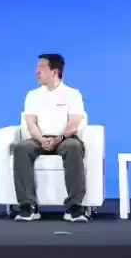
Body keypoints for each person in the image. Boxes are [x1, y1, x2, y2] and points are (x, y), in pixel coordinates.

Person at [12, 54, 88, 223]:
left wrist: (58, 139)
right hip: (39, 139)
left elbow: (73, 124)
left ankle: (74, 207)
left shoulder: (72, 94)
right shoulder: (32, 95)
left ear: (54, 71)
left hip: (64, 139)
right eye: (36, 67)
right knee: (20, 147)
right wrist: (42, 140)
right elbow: (31, 124)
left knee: (73, 147)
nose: (37, 72)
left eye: (41, 67)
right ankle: (28, 206)